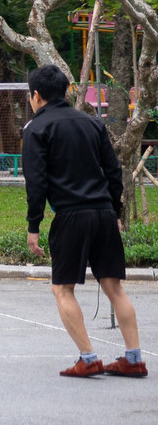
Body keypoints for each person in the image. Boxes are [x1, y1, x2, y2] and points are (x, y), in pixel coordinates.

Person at [22, 63, 147, 378]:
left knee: (62, 289)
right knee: (114, 287)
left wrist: (34, 225)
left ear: (36, 95)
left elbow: (36, 183)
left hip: (70, 216)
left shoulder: (36, 129)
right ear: (66, 91)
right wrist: (114, 212)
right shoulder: (93, 123)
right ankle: (134, 359)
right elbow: (113, 172)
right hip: (104, 212)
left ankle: (88, 358)